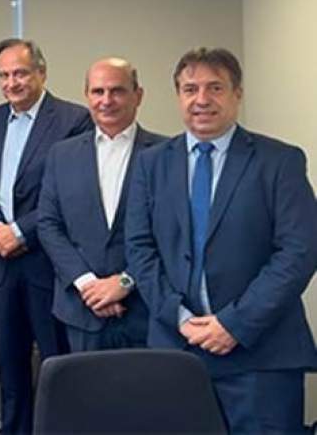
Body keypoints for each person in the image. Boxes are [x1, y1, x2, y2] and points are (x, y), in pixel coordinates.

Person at [126, 47, 317, 433]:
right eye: (190, 89)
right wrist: (179, 318)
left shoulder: (279, 161)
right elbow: (139, 249)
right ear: (178, 96)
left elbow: (299, 251)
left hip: (260, 355)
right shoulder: (151, 163)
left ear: (237, 94)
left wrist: (235, 323)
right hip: (176, 351)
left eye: (215, 87)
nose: (201, 99)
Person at [0, 39, 92, 434]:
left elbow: (72, 192)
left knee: (56, 364)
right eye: (4, 75)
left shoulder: (73, 120)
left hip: (45, 261)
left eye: (20, 73)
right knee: (9, 366)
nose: (12, 82)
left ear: (41, 73)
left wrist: (20, 232)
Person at [39, 58, 164, 352]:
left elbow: (174, 232)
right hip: (82, 309)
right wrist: (88, 285)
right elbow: (48, 224)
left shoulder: (166, 154)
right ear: (87, 96)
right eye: (98, 92)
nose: (106, 100)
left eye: (117, 91)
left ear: (138, 95)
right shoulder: (61, 155)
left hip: (145, 309)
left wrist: (125, 282)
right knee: (84, 385)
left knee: (147, 384)